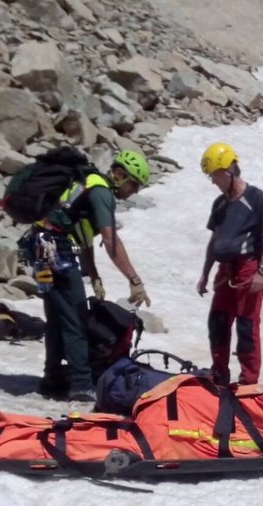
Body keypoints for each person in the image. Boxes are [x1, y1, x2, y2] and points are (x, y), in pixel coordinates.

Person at [34, 147, 152, 402]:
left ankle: (52, 377)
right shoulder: (101, 192)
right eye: (134, 184)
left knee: (57, 315)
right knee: (76, 316)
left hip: (40, 246)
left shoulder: (89, 185)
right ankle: (81, 385)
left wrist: (95, 275)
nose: (134, 191)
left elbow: (83, 238)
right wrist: (134, 280)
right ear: (121, 175)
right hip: (55, 248)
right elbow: (110, 241)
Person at [196, 142, 263, 386]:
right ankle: (219, 372)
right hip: (225, 271)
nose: (214, 182)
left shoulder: (255, 198)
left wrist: (262, 271)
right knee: (218, 322)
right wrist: (205, 274)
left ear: (229, 172)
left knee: (246, 325)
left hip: (248, 268)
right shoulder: (220, 204)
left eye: (215, 176)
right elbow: (214, 240)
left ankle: (248, 379)